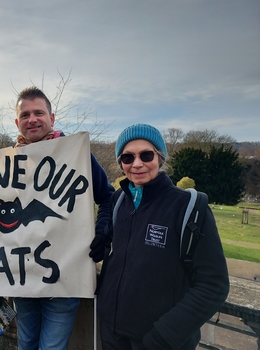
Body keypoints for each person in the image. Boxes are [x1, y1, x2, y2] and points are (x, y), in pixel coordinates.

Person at [94, 123, 229, 350]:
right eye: (128, 158)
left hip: (159, 341)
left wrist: (164, 337)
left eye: (146, 155)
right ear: (121, 163)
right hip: (113, 336)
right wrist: (101, 236)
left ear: (160, 158)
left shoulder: (189, 207)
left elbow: (213, 285)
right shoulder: (119, 201)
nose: (137, 164)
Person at [12, 86, 115, 350]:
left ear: (52, 118)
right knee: (25, 344)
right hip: (21, 277)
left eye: (38, 112)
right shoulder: (8, 161)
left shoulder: (76, 154)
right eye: (25, 114)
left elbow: (107, 197)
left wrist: (102, 230)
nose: (32, 119)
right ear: (17, 122)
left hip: (64, 276)